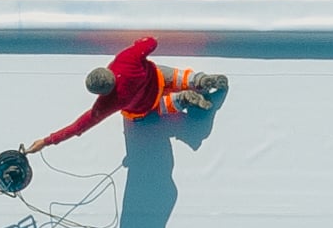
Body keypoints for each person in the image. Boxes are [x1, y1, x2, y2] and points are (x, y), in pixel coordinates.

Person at [21, 34, 224, 154]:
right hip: (157, 76)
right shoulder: (126, 59)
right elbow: (151, 42)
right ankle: (198, 81)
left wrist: (47, 141)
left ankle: (182, 100)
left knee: (166, 105)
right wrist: (140, 44)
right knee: (177, 77)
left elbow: (79, 126)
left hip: (147, 104)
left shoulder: (107, 103)